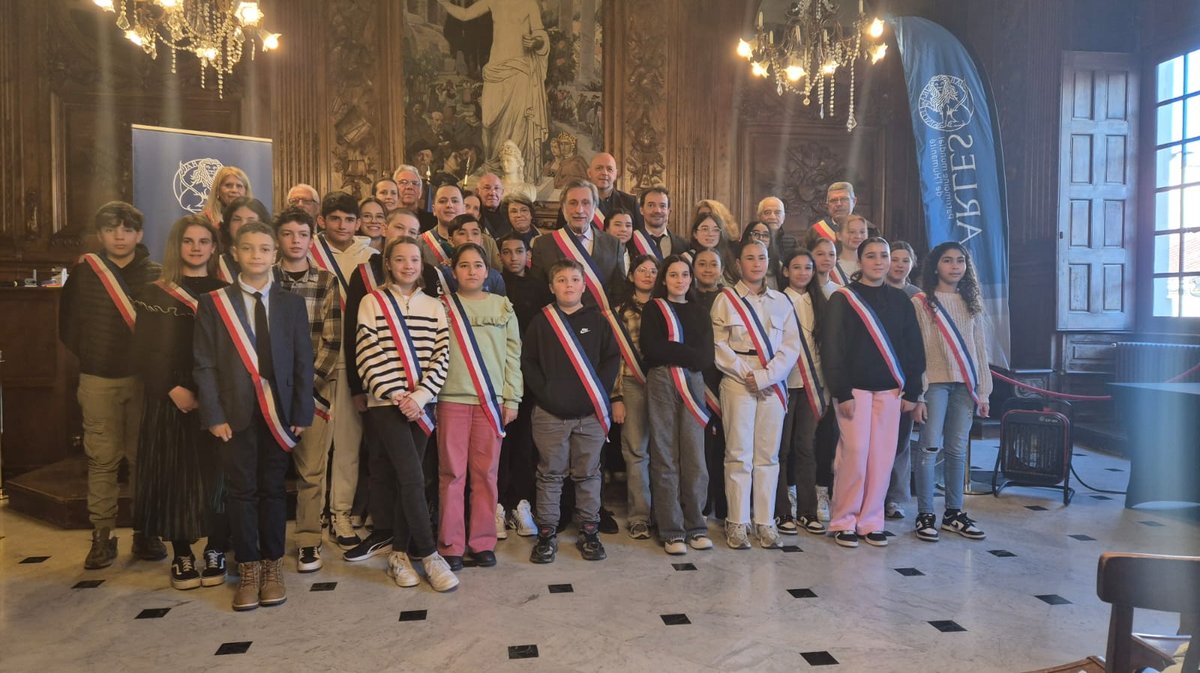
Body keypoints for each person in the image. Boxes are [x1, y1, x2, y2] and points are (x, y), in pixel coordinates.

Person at [193, 221, 314, 610]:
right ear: (234, 254)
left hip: (278, 414)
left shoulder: (291, 304)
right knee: (241, 492)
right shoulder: (215, 303)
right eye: (248, 249)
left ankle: (272, 566)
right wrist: (213, 414)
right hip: (234, 414)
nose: (257, 256)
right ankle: (248, 568)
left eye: (264, 249)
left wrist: (301, 411)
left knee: (274, 490)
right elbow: (204, 364)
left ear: (275, 256)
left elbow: (301, 361)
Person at [60, 201, 164, 569]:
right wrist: (94, 353)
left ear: (139, 234)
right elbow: (68, 326)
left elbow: (164, 331)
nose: (119, 236)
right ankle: (101, 536)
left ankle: (144, 532)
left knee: (142, 459)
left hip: (142, 381)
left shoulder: (155, 273)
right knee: (102, 461)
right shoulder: (85, 273)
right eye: (110, 229)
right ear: (100, 235)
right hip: (97, 378)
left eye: (126, 229)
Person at [355, 236, 459, 592]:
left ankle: (399, 554)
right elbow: (368, 351)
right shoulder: (372, 302)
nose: (408, 266)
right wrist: (399, 395)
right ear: (388, 263)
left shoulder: (435, 306)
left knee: (410, 480)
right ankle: (430, 555)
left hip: (423, 405)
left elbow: (442, 354)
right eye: (400, 260)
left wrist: (422, 394)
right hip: (388, 405)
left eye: (414, 259)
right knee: (412, 478)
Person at [132, 215, 227, 591]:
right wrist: (172, 388)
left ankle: (217, 547)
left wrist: (211, 393)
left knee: (216, 477)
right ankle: (183, 553)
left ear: (214, 247)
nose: (196, 247)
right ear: (177, 245)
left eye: (204, 241)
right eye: (189, 241)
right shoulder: (156, 292)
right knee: (176, 478)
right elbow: (143, 351)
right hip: (168, 396)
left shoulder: (224, 291)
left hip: (214, 397)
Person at [820, 237, 925, 549]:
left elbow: (913, 350)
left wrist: (913, 391)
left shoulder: (902, 301)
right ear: (860, 262)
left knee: (881, 458)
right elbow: (833, 349)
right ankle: (843, 520)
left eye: (884, 256)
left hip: (891, 392)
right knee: (854, 455)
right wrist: (841, 391)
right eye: (871, 256)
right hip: (853, 390)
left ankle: (871, 521)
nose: (879, 262)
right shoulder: (843, 299)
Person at [522, 260, 621, 563]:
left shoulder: (599, 321)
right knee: (550, 474)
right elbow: (529, 363)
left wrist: (597, 396)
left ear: (583, 285)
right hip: (550, 414)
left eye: (574, 279)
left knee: (589, 474)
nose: (568, 285)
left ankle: (589, 530)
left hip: (589, 414)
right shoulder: (541, 322)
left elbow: (610, 359)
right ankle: (547, 534)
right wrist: (548, 394)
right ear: (552, 287)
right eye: (561, 280)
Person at [437, 243, 523, 570]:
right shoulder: (443, 307)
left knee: (486, 474)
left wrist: (512, 397)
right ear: (453, 270)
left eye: (477, 265)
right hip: (451, 400)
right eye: (464, 265)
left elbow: (513, 355)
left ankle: (483, 540)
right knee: (452, 473)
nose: (471, 271)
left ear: (487, 271)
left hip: (491, 401)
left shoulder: (502, 307)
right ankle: (450, 543)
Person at [711, 239, 800, 550]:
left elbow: (791, 347)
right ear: (739, 264)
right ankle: (737, 521)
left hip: (772, 382)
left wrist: (766, 377)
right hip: (738, 380)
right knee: (738, 453)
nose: (756, 263)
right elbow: (718, 345)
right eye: (749, 258)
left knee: (768, 456)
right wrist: (746, 374)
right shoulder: (725, 300)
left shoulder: (781, 301)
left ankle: (765, 520)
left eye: (761, 257)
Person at [273, 207, 343, 571]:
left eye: (302, 234)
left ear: (311, 237)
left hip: (313, 390)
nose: (295, 241)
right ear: (278, 238)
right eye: (287, 234)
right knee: (267, 471)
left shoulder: (326, 281)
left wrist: (305, 389)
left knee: (311, 471)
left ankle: (308, 540)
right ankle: (266, 539)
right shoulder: (265, 279)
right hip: (269, 391)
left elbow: (331, 342)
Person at [308, 192, 378, 550]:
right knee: (315, 443)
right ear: (322, 220)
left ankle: (340, 512)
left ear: (358, 223)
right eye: (335, 219)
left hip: (354, 358)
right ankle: (313, 513)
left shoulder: (372, 257)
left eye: (349, 220)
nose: (342, 226)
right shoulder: (308, 252)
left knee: (348, 443)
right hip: (317, 358)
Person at [910, 241, 992, 543]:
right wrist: (917, 393)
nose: (955, 266)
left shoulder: (972, 302)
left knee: (958, 450)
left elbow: (981, 350)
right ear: (935, 266)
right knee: (929, 448)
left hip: (965, 385)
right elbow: (916, 351)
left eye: (960, 261)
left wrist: (983, 392)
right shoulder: (921, 303)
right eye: (948, 260)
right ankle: (925, 513)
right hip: (934, 383)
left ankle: (954, 513)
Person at [641, 255, 715, 555]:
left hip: (693, 383)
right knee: (665, 454)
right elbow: (651, 349)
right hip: (661, 381)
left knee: (695, 456)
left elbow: (705, 357)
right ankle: (671, 528)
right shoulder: (653, 308)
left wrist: (675, 351)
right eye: (673, 275)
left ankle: (696, 525)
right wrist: (685, 352)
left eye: (685, 275)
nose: (680, 280)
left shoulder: (699, 311)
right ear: (665, 279)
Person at [436, 0, 549, 179]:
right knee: (488, 121)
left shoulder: (529, 4)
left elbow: (540, 32)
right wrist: (444, 3)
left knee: (517, 124)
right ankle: (492, 165)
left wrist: (536, 41)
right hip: (495, 69)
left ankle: (515, 171)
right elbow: (465, 15)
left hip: (519, 70)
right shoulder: (493, 1)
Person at [773, 249, 829, 537]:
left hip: (811, 384)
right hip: (783, 383)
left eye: (808, 268)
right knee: (780, 450)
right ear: (785, 271)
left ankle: (807, 511)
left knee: (806, 447)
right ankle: (782, 510)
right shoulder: (776, 300)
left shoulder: (821, 301)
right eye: (796, 267)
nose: (803, 273)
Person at [496, 234, 549, 537]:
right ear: (500, 256)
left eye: (519, 251)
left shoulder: (540, 287)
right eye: (507, 252)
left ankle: (522, 503)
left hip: (530, 372)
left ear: (528, 254)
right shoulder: (494, 285)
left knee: (525, 444)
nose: (513, 257)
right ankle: (499, 504)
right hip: (500, 372)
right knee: (501, 441)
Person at [612, 255, 657, 540]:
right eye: (642, 270)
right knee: (636, 450)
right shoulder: (619, 312)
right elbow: (614, 357)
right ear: (631, 276)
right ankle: (640, 515)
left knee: (664, 451)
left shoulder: (667, 308)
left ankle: (663, 511)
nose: (648, 275)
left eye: (654, 271)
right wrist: (615, 396)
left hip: (663, 385)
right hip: (630, 384)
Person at [884, 241, 920, 520]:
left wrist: (920, 390)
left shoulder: (918, 297)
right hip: (877, 378)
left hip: (906, 380)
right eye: (893, 259)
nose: (898, 265)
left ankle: (895, 498)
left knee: (901, 441)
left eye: (904, 260)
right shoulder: (873, 293)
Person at [692, 249, 728, 520]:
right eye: (701, 264)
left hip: (726, 378)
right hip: (695, 379)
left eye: (712, 264)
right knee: (699, 446)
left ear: (722, 268)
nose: (707, 269)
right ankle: (701, 502)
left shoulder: (731, 299)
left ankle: (726, 503)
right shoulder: (686, 297)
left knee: (726, 445)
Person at [419, 183, 501, 276]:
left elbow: (496, 278)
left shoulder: (487, 242)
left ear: (463, 208)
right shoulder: (419, 243)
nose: (449, 205)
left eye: (455, 201)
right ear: (433, 209)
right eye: (442, 201)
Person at [436, 215, 507, 295]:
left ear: (481, 240)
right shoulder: (440, 274)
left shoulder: (494, 277)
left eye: (475, 233)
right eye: (462, 233)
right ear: (451, 240)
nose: (469, 238)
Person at [216, 197, 271, 283]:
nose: (243, 225)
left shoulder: (271, 260)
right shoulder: (215, 262)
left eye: (251, 220)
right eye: (237, 220)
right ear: (227, 225)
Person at [632, 187, 688, 260]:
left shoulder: (684, 245)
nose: (657, 210)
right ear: (641, 210)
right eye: (651, 205)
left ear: (668, 211)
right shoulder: (631, 241)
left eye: (662, 206)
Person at [392, 164, 438, 232]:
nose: (409, 187)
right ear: (393, 188)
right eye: (403, 182)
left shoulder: (433, 222)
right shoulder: (386, 219)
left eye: (414, 183)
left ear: (420, 192)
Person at [739, 222, 782, 290]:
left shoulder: (778, 264)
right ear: (748, 236)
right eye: (756, 234)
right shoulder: (738, 263)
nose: (761, 238)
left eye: (765, 235)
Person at [831, 214, 869, 285]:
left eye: (862, 232)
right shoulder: (832, 267)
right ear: (839, 235)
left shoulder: (871, 265)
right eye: (852, 232)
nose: (858, 236)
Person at [476, 172, 512, 239]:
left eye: (496, 188)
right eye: (487, 188)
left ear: (502, 192)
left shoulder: (510, 214)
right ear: (478, 191)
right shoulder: (474, 213)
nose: (492, 193)